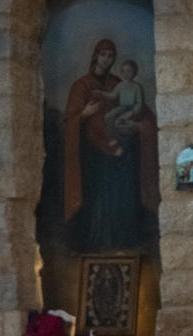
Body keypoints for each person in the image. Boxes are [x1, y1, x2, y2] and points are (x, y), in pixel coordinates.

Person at [63, 38, 159, 252]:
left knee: (122, 193)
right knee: (99, 197)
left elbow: (143, 113)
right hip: (94, 153)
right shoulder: (82, 86)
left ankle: (126, 237)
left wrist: (138, 125)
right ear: (95, 56)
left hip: (122, 150)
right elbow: (70, 120)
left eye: (110, 56)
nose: (106, 59)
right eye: (103, 54)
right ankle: (98, 240)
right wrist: (84, 115)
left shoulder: (119, 84)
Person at [100, 58, 144, 149]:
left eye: (129, 71)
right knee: (108, 116)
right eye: (123, 71)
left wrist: (131, 113)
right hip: (122, 108)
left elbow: (139, 103)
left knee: (118, 123)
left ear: (134, 72)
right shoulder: (120, 85)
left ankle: (122, 142)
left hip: (132, 110)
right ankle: (113, 138)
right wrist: (101, 93)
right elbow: (113, 95)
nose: (126, 74)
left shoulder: (137, 87)